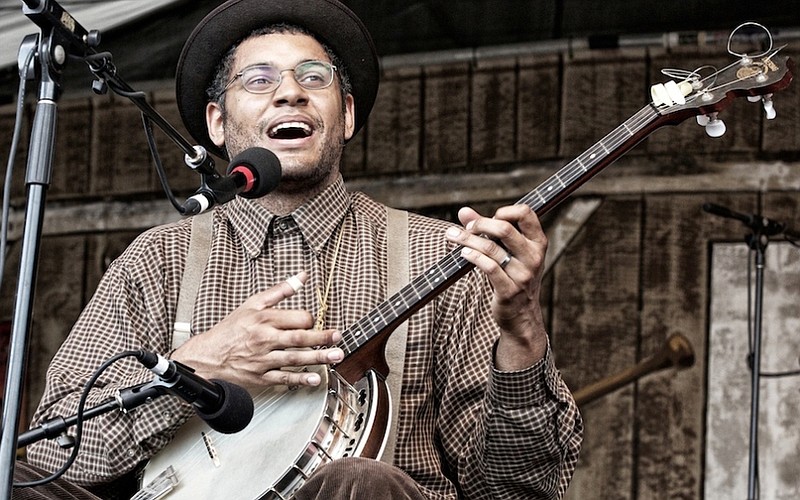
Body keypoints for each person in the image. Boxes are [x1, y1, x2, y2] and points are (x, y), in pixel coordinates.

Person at [14, 0, 583, 498]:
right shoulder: (158, 260)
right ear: (217, 122)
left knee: (360, 481)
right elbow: (51, 456)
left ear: (349, 115)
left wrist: (524, 332)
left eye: (314, 77)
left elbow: (519, 491)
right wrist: (195, 368)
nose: (290, 91)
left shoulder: (443, 257)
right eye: (258, 80)